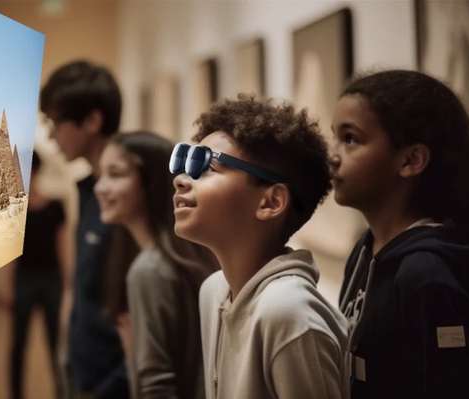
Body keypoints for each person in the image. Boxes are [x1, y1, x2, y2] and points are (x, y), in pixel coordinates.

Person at [172, 94, 349, 399]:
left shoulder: (288, 313)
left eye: (208, 167)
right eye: (186, 163)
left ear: (271, 202)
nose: (182, 180)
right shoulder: (213, 290)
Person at [330, 69, 469, 399]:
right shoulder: (364, 249)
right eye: (335, 137)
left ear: (411, 160)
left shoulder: (427, 273)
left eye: (351, 139)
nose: (332, 155)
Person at [94, 131, 219, 399]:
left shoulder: (150, 270)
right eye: (100, 175)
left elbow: (156, 385)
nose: (100, 187)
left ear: (149, 181)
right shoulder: (186, 255)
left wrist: (134, 357)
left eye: (115, 174)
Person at [40, 60, 130, 399]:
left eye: (55, 122)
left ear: (92, 121)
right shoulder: (89, 190)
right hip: (84, 370)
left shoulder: (128, 199)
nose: (50, 135)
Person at [9, 150, 69, 399]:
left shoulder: (56, 207)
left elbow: (63, 247)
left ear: (34, 171)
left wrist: (68, 286)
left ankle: (62, 392)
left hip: (51, 280)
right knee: (18, 344)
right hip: (24, 280)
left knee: (56, 343)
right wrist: (7, 286)